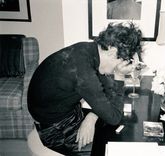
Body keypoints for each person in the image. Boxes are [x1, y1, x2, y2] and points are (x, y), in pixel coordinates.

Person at [27, 22, 143, 156]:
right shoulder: (83, 72)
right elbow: (114, 117)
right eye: (122, 61)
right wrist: (120, 75)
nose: (118, 67)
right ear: (112, 51)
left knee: (115, 128)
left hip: (68, 112)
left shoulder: (88, 50)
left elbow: (104, 90)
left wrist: (91, 117)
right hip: (54, 127)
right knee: (106, 149)